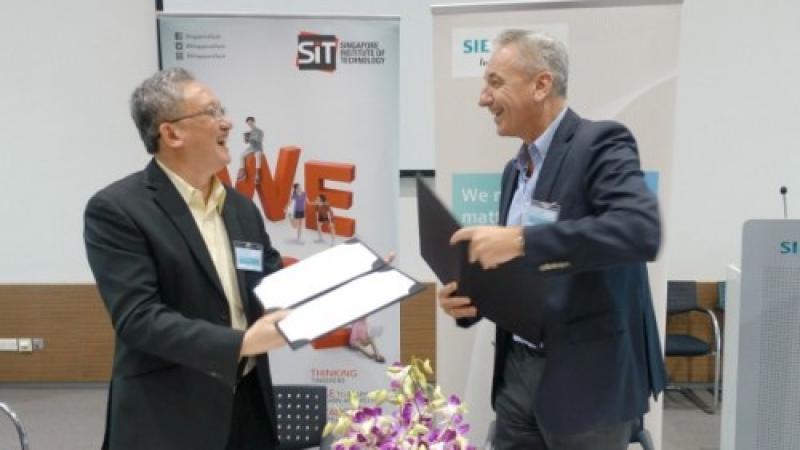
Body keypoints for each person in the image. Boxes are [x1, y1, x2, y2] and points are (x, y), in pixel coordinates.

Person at [437, 30, 666, 450]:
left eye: (495, 82)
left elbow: (639, 231)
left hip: (589, 383)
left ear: (541, 84)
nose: (483, 99)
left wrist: (523, 241)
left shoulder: (600, 143)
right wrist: (470, 302)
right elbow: (524, 278)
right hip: (517, 376)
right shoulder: (513, 172)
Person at [84, 68, 289, 450]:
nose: (227, 122)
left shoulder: (241, 208)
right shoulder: (118, 210)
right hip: (168, 419)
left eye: (222, 110)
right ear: (171, 134)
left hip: (248, 410)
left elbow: (270, 281)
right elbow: (139, 319)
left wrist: (345, 282)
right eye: (211, 112)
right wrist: (242, 343)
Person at [237, 116, 264, 184]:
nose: (250, 124)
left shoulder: (259, 131)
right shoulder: (250, 132)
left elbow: (258, 140)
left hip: (257, 147)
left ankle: (257, 174)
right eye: (248, 123)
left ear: (253, 122)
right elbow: (246, 142)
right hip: (251, 148)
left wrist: (250, 138)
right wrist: (246, 138)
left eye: (250, 122)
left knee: (257, 156)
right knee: (241, 155)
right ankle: (243, 172)